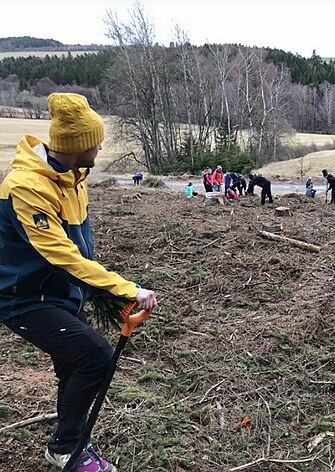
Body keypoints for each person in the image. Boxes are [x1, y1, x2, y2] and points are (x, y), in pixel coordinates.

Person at [0, 93, 157, 472]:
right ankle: (68, 447)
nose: (101, 146)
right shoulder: (27, 186)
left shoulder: (75, 175)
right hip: (22, 297)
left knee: (74, 365)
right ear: (76, 146)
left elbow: (80, 247)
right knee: (96, 357)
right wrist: (125, 288)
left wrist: (95, 292)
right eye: (96, 141)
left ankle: (67, 442)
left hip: (60, 292)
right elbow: (61, 255)